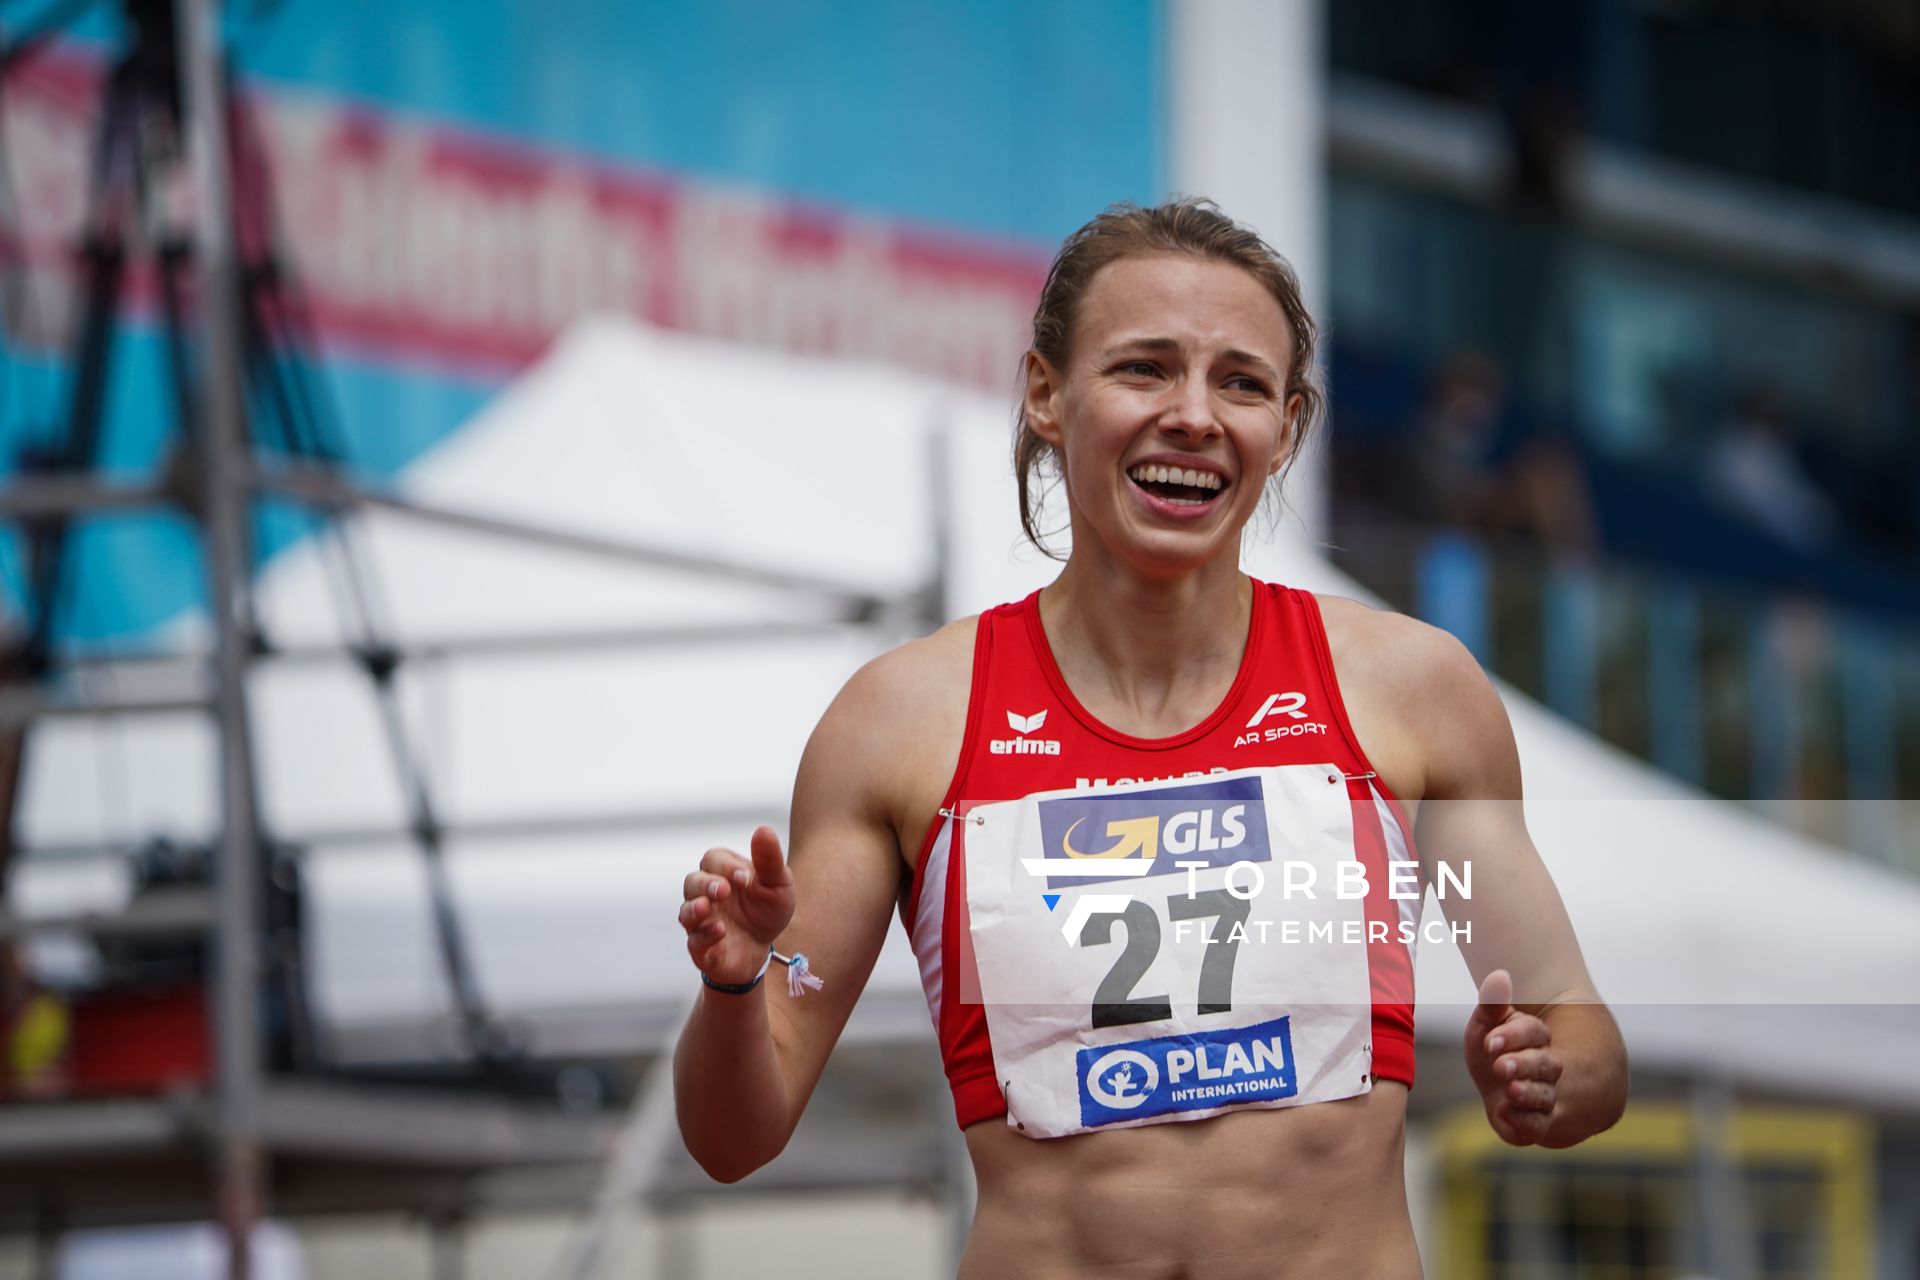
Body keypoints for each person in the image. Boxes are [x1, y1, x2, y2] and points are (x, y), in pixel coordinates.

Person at [674, 198, 1627, 1278]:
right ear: (1045, 392)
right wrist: (737, 986)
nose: (1194, 415)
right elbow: (731, 1137)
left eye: (1241, 382)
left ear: (1290, 425)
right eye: (1144, 369)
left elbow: (1586, 1041)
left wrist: (1552, 1075)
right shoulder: (902, 721)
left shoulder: (1413, 693)